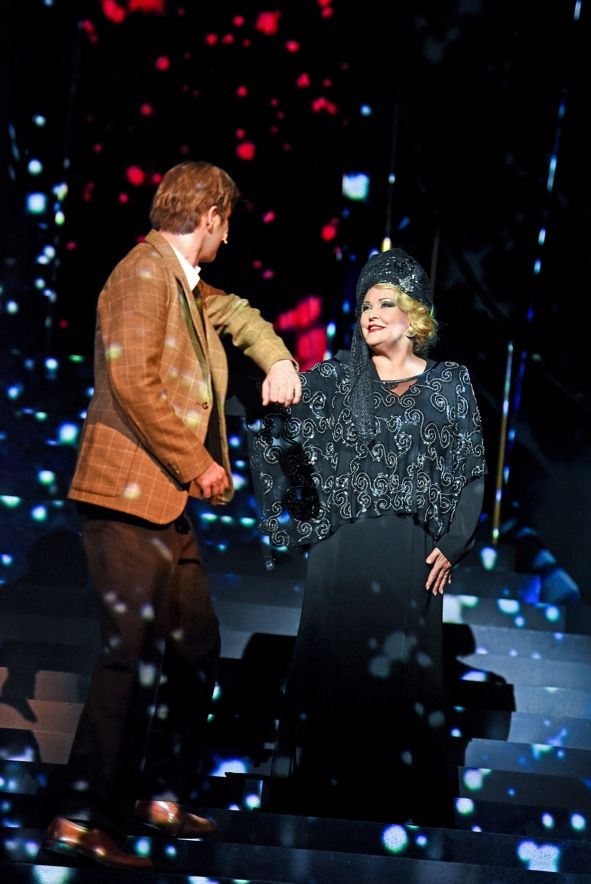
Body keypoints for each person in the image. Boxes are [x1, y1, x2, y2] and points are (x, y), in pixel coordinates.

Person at [42, 160, 302, 870]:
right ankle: (78, 815)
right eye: (228, 221)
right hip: (125, 497)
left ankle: (157, 792)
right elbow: (131, 377)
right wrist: (196, 462)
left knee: (193, 646)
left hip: (162, 504)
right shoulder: (142, 272)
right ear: (211, 215)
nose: (229, 234)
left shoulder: (186, 286)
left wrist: (277, 358)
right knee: (128, 654)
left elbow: (237, 314)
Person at [247, 247, 487, 825]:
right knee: (332, 670)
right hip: (342, 553)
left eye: (386, 303)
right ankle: (318, 802)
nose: (371, 314)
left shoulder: (451, 384)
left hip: (412, 558)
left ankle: (397, 806)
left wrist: (453, 543)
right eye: (364, 306)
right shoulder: (332, 381)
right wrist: (278, 386)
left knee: (402, 679)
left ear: (414, 315)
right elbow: (276, 438)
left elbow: (471, 468)